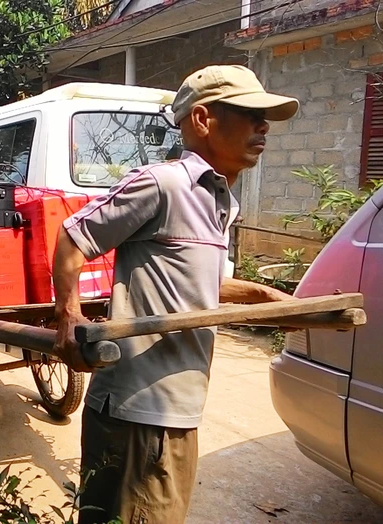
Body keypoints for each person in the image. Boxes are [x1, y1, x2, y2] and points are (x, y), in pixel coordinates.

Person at [52, 65, 300, 524]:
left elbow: (197, 280)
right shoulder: (162, 184)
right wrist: (68, 318)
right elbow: (72, 238)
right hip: (138, 413)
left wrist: (266, 297)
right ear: (203, 120)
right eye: (250, 114)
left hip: (180, 408)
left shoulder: (222, 200)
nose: (263, 127)